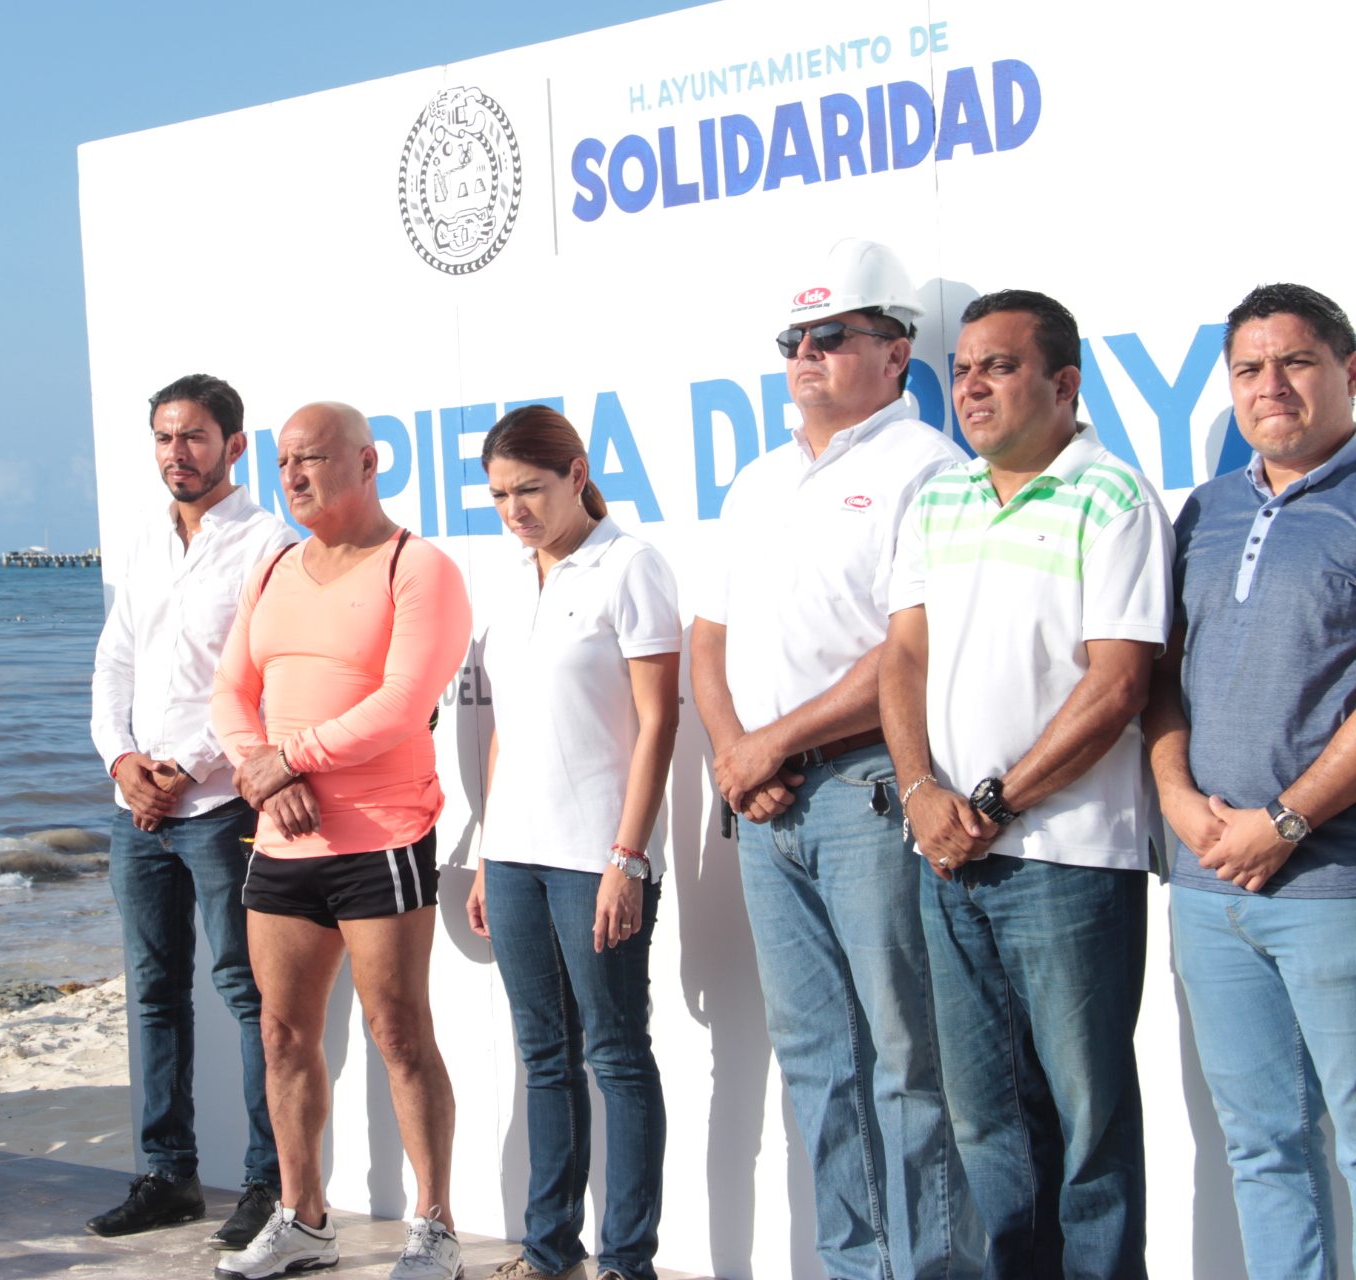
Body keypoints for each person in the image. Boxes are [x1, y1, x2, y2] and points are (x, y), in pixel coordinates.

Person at [688, 238, 976, 1279]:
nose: (806, 354)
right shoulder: (758, 479)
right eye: (793, 339)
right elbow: (707, 638)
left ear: (896, 352)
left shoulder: (927, 466)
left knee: (906, 1058)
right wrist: (736, 752)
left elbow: (907, 651)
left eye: (832, 335)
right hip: (764, 807)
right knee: (816, 1061)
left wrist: (771, 742)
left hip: (867, 793)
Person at [881, 289, 1171, 1278]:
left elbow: (1119, 683)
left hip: (1068, 862)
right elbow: (902, 658)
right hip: (948, 859)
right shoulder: (940, 498)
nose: (972, 386)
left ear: (1063, 383)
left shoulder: (1114, 498)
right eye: (962, 368)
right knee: (986, 1125)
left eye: (998, 366)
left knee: (1089, 1130)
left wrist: (993, 804)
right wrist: (920, 792)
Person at [210, 401, 472, 1280]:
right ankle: (304, 1220)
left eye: (312, 458)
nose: (293, 476)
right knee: (283, 1034)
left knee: (399, 1033)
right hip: (281, 842)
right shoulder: (273, 567)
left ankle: (434, 1229)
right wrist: (264, 772)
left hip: (381, 837)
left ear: (367, 462)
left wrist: (290, 759)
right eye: (284, 461)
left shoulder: (417, 567)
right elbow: (229, 691)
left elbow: (403, 703)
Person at [1145, 282, 1356, 1279]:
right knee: (1263, 1149)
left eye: (1296, 361)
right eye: (1248, 368)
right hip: (1208, 887)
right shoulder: (1208, 508)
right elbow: (1164, 678)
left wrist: (1285, 819)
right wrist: (1178, 801)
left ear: (1348, 372)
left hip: (1333, 884)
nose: (1270, 385)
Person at [465, 406, 678, 1280]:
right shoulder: (512, 580)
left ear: (577, 474)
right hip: (515, 855)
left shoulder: (631, 565)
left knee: (617, 1056)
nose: (514, 510)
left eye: (530, 489)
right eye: (499, 495)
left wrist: (629, 857)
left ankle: (627, 1260)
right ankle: (548, 1250)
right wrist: (488, 853)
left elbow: (659, 722)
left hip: (598, 855)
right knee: (544, 1058)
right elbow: (509, 729)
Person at [87, 373, 295, 1248]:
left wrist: (187, 769)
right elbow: (114, 666)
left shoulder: (266, 544)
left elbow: (261, 678)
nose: (177, 453)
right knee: (152, 993)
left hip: (219, 806)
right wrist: (123, 761)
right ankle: (167, 1175)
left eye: (195, 437)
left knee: (249, 993)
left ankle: (269, 1185)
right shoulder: (145, 542)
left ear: (234, 447)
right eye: (165, 438)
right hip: (138, 811)